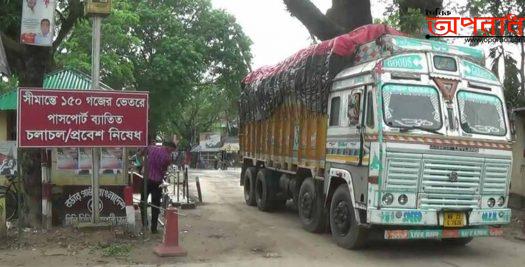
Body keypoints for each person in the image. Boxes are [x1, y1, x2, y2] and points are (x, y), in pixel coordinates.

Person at [140, 141, 177, 234]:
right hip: (157, 182)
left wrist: (144, 164)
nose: (171, 152)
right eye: (171, 150)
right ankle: (154, 228)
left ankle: (145, 225)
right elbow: (164, 169)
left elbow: (141, 151)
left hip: (146, 180)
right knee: (155, 205)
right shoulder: (167, 158)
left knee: (143, 202)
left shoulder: (152, 148)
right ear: (168, 147)